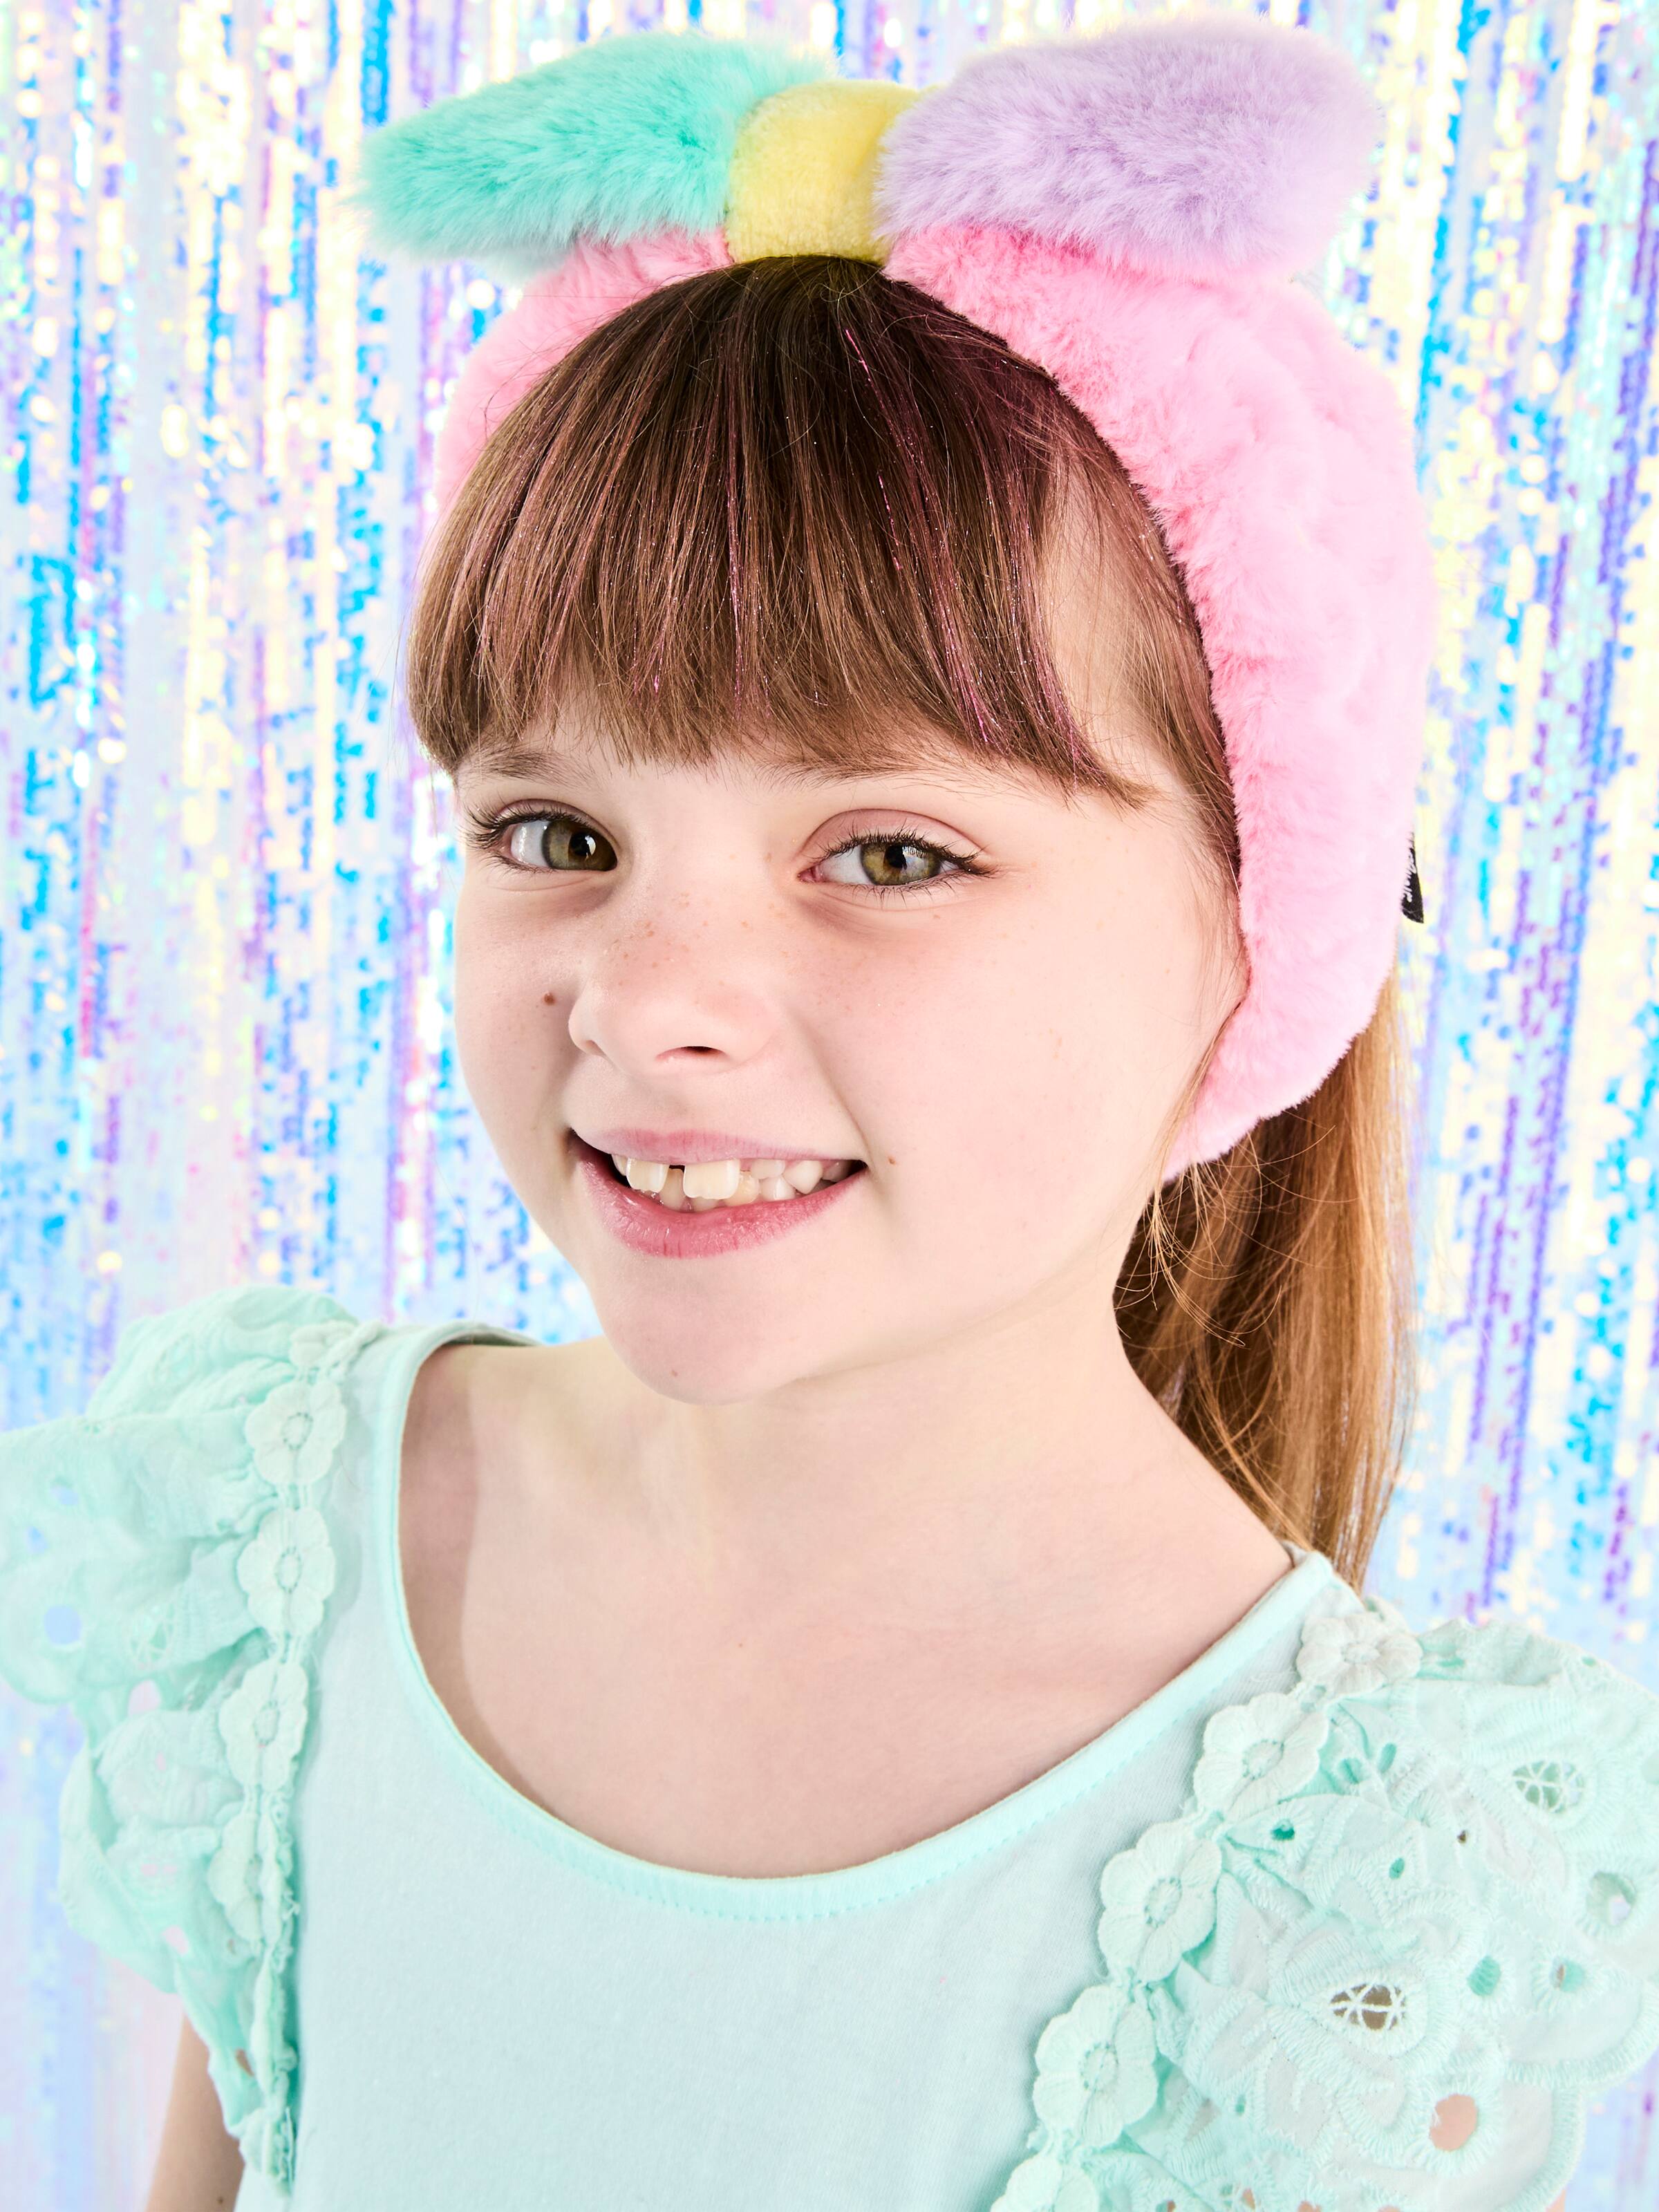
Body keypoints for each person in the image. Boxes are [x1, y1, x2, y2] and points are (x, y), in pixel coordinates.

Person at [2, 19, 1654, 2212]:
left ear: (1267, 921)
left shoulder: (1354, 1887)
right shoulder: (291, 1549)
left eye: (887, 853)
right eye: (555, 833)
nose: (647, 1002)